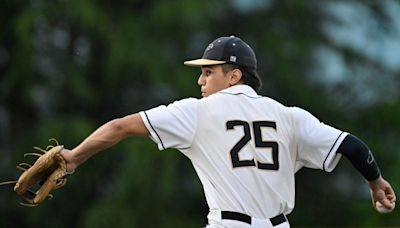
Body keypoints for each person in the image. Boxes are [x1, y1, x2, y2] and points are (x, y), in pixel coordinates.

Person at [60, 35, 396, 228]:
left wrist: (75, 157)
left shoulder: (197, 112)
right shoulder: (289, 115)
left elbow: (119, 127)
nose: (200, 81)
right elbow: (353, 146)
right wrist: (375, 182)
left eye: (208, 72)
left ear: (233, 76)